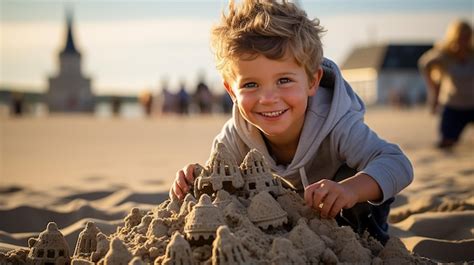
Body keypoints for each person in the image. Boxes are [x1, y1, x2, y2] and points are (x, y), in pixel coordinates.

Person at [170, 0, 413, 245]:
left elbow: (397, 163)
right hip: (287, 221)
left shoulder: (337, 123)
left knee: (355, 184)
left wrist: (350, 190)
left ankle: (369, 241)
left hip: (346, 208)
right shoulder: (235, 136)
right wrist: (191, 181)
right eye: (250, 84)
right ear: (231, 91)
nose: (268, 99)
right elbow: (217, 186)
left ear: (312, 81)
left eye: (284, 80)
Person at [418, 20, 474, 149]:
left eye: (467, 37)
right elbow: (424, 64)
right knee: (446, 144)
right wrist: (434, 90)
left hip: (473, 104)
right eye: (461, 37)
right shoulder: (445, 56)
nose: (463, 41)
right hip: (453, 106)